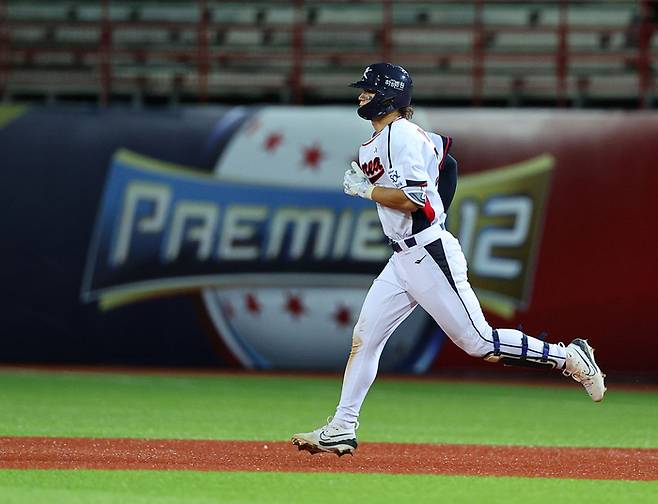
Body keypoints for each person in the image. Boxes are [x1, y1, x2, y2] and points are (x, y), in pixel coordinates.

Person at [291, 63, 606, 457]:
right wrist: (431, 211)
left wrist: (369, 193)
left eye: (369, 90)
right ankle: (342, 426)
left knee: (480, 343)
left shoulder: (401, 136)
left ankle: (570, 358)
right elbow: (447, 163)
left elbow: (413, 200)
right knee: (365, 338)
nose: (361, 95)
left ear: (389, 95)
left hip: (426, 252)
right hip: (403, 258)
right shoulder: (386, 137)